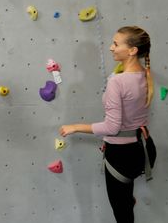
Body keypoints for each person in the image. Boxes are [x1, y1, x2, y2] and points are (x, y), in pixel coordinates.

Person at [59, 26, 155, 223]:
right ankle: (127, 202)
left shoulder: (117, 82)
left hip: (120, 155)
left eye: (116, 44)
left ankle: (126, 205)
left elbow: (112, 127)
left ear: (132, 50)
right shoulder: (144, 75)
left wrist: (75, 126)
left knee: (122, 213)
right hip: (141, 149)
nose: (111, 48)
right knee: (125, 203)